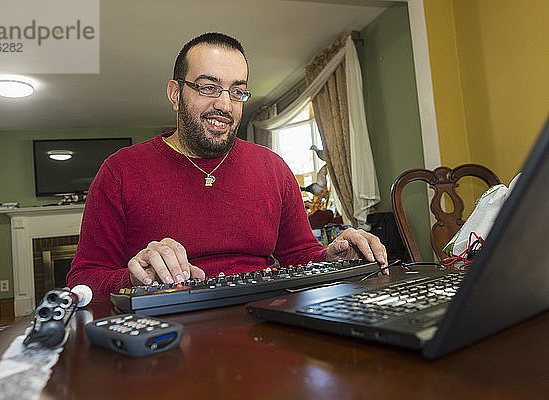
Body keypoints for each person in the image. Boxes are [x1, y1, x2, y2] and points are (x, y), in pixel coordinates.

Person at [67, 32, 387, 295]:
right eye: (208, 87)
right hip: (168, 332)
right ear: (175, 93)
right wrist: (136, 278)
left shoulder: (274, 168)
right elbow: (84, 281)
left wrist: (332, 257)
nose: (224, 104)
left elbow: (301, 256)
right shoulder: (119, 171)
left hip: (266, 325)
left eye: (237, 92)